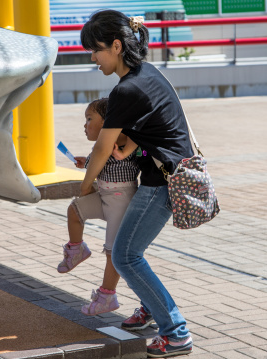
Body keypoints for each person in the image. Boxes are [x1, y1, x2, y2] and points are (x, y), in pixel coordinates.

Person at [78, 10, 194, 358]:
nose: (93, 58)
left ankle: (176, 333)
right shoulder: (146, 74)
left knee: (126, 256)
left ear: (116, 45)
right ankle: (149, 311)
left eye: (96, 50)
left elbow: (102, 146)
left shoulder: (127, 89)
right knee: (130, 253)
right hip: (166, 175)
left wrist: (85, 186)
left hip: (163, 182)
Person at [57, 97, 139, 317]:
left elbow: (144, 153)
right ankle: (77, 249)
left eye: (89, 118)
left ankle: (107, 296)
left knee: (113, 252)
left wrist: (130, 150)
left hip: (121, 201)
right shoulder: (99, 146)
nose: (85, 125)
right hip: (103, 196)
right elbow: (99, 160)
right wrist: (87, 161)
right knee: (75, 210)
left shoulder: (124, 141)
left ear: (108, 122)